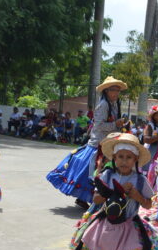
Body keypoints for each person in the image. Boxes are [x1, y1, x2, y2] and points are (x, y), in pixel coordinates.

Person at [46, 76, 127, 208]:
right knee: (94, 172)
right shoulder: (103, 105)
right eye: (114, 90)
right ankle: (90, 198)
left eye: (118, 90)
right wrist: (115, 124)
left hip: (109, 143)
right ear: (106, 91)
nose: (116, 93)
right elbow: (99, 125)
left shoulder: (114, 105)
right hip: (99, 143)